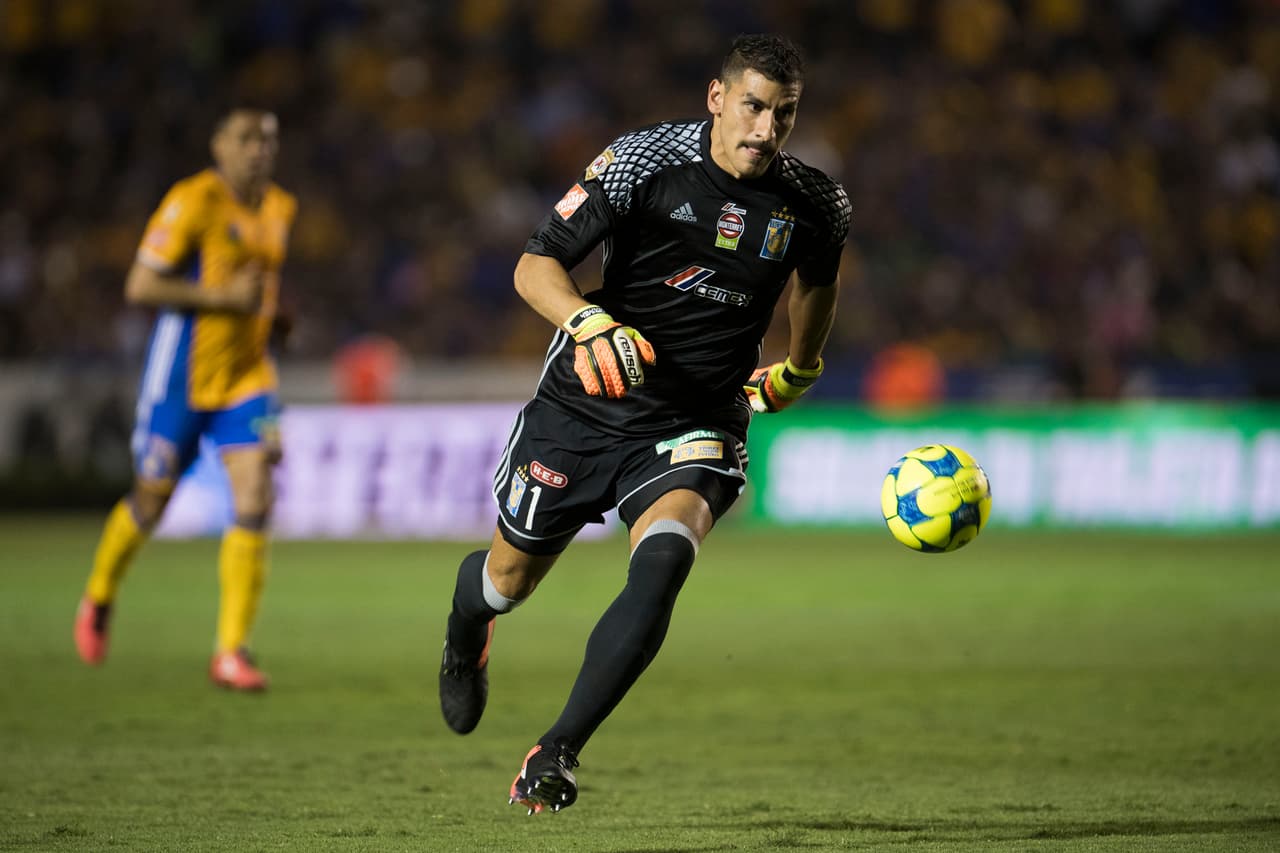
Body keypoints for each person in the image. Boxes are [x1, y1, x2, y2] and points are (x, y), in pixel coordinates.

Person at [437, 34, 850, 813]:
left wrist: (802, 366)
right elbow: (536, 266)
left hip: (699, 416)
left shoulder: (816, 203)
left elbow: (817, 286)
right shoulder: (642, 161)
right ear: (717, 97)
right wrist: (590, 323)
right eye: (755, 107)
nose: (766, 130)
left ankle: (555, 751)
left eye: (785, 115)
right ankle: (467, 631)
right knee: (506, 581)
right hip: (587, 400)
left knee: (663, 563)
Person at [74, 107, 297, 692]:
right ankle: (98, 596)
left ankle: (231, 651)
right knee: (152, 499)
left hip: (249, 379)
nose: (259, 150)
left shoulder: (280, 208)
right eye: (246, 139)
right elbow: (141, 284)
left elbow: (262, 287)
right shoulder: (192, 201)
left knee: (256, 494)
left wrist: (273, 319)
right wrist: (221, 296)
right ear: (219, 145)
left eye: (268, 140)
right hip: (181, 379)